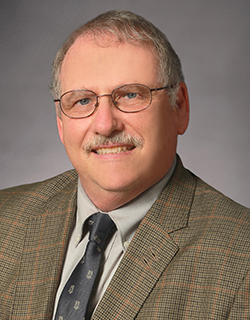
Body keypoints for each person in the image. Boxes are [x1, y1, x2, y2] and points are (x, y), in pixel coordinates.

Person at [0, 10, 249, 320]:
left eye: (131, 95)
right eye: (82, 101)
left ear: (179, 107)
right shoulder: (5, 220)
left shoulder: (242, 259)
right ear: (61, 123)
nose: (105, 125)